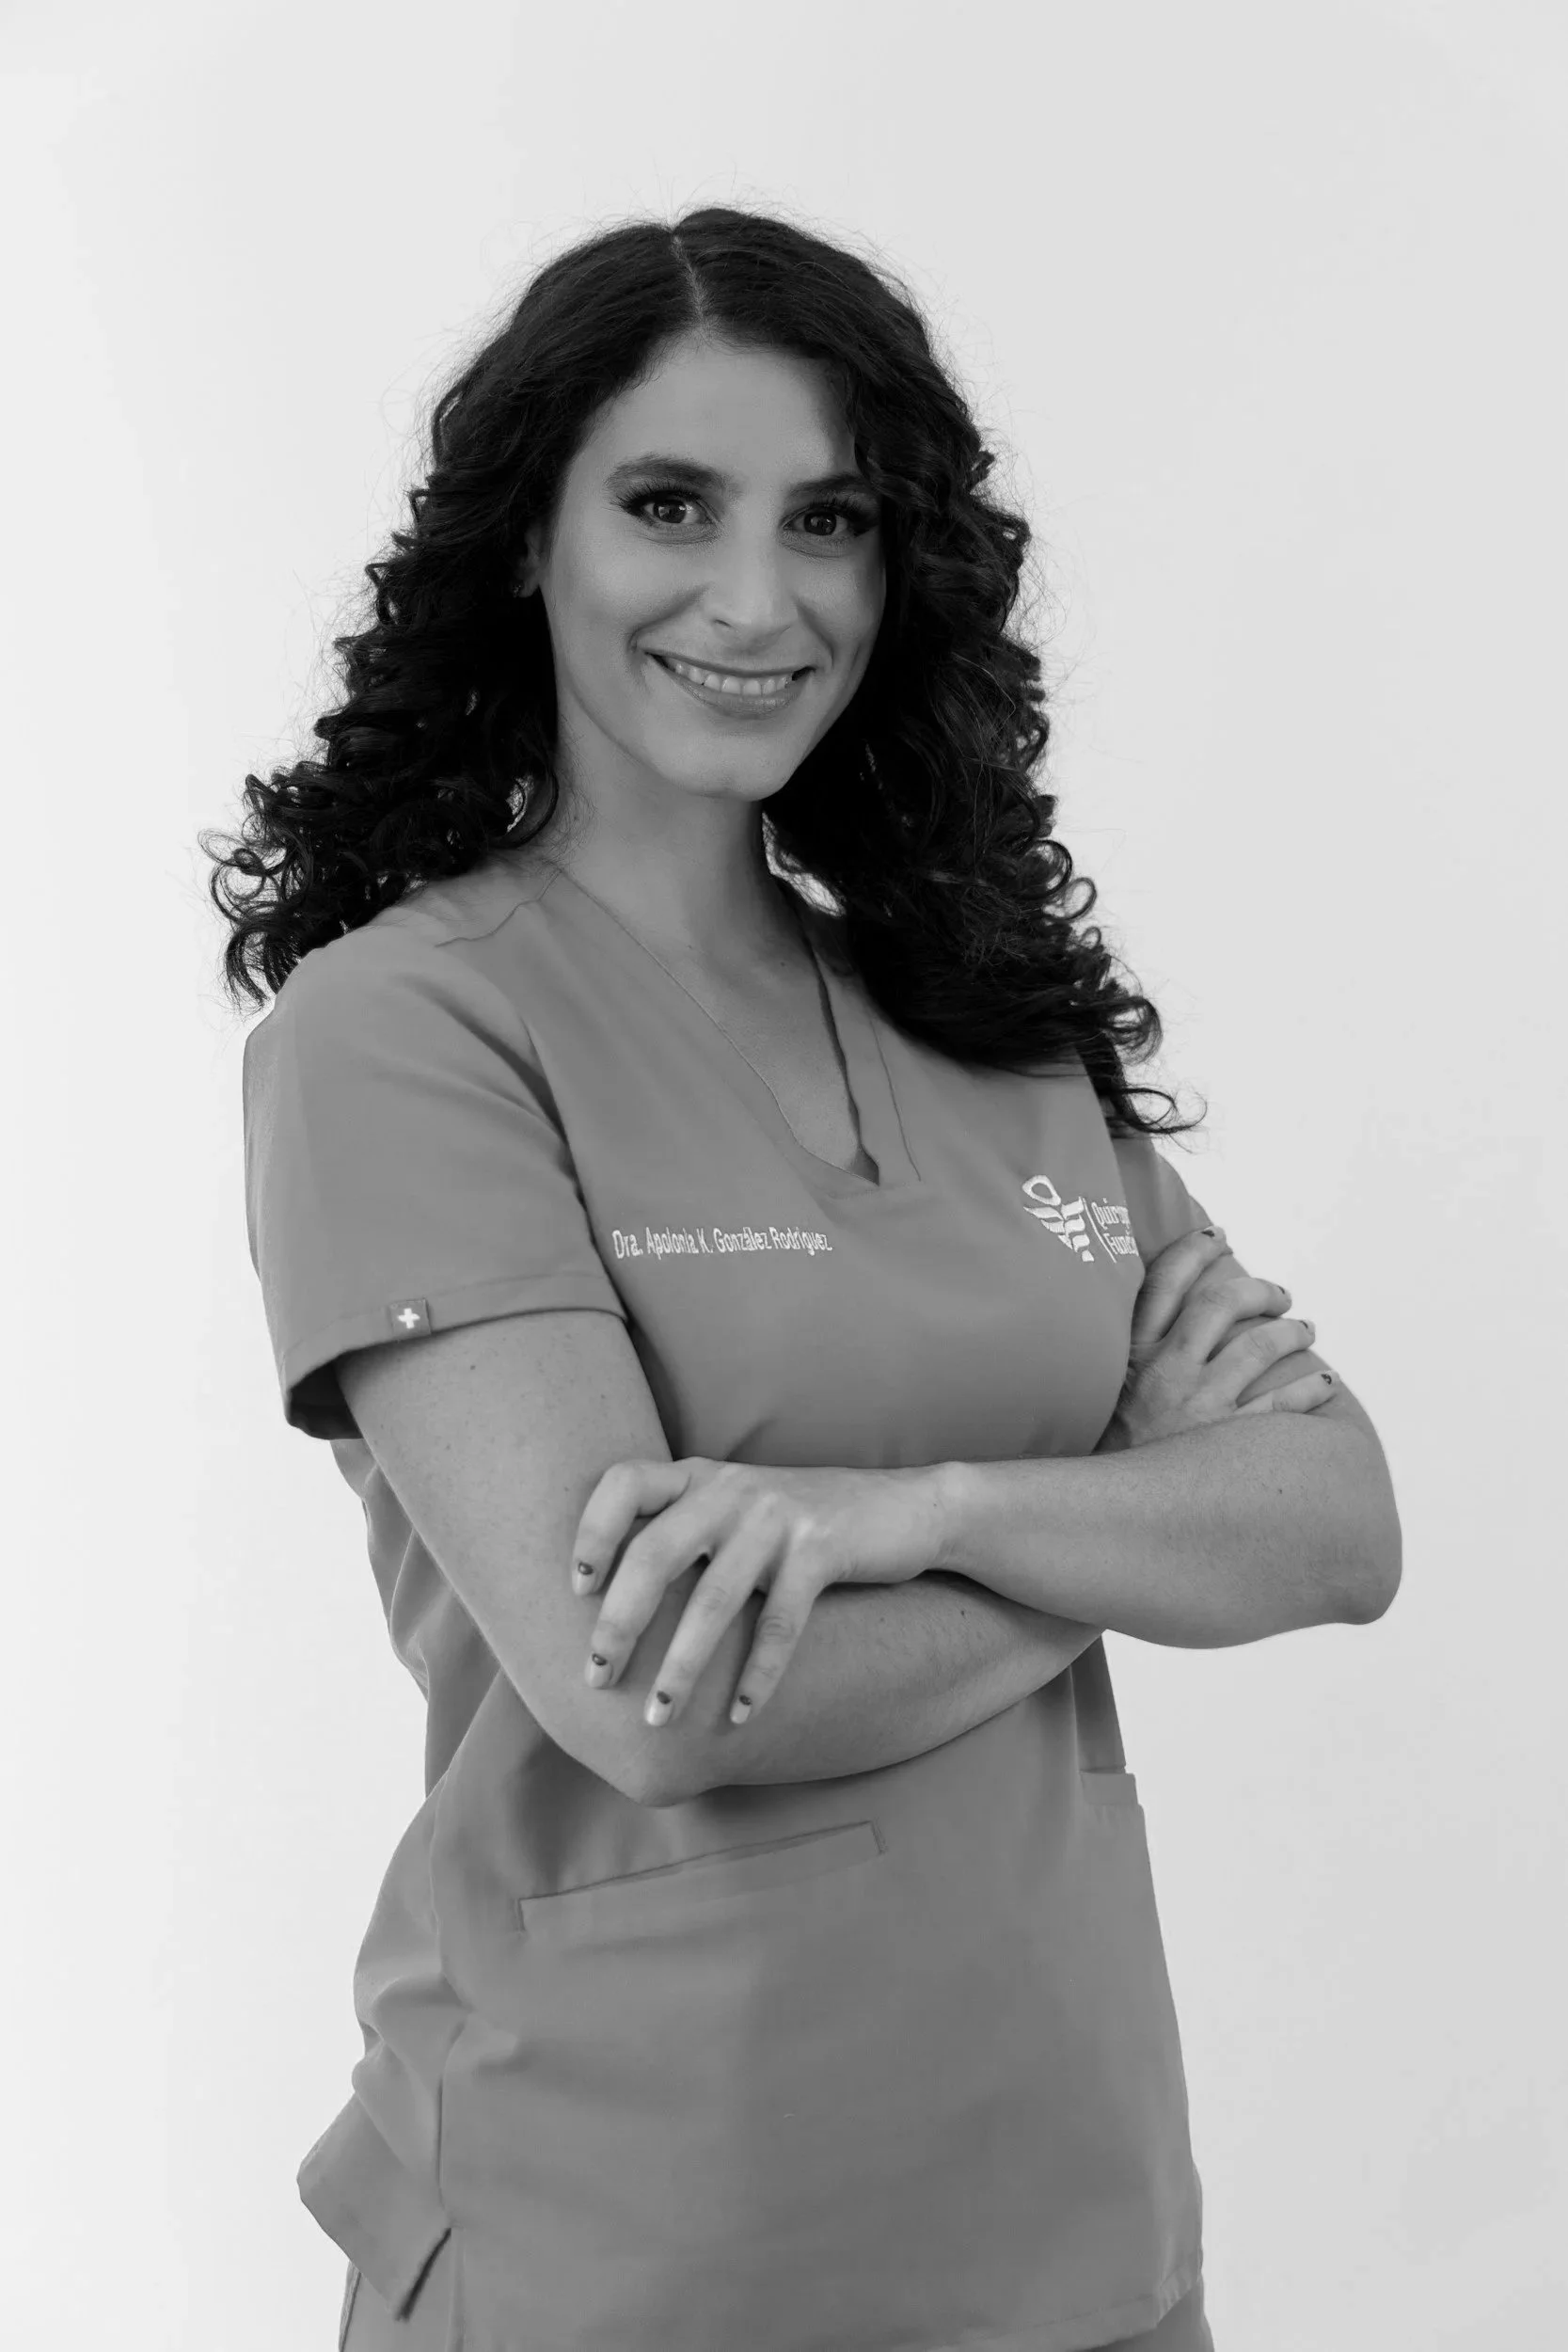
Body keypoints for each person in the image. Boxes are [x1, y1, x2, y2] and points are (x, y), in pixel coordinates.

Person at [207, 205, 1402, 2352]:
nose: (756, 600)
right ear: (527, 540)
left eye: (827, 519)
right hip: (627, 2237)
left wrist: (916, 1512)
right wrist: (1130, 1522)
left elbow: (1335, 1527)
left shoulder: (985, 1020)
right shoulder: (402, 1031)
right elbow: (654, 1697)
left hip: (1079, 2221)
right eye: (669, 505)